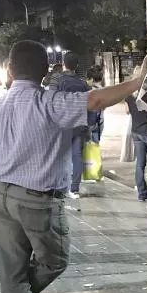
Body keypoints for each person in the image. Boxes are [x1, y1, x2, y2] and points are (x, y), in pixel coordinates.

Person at [0, 40, 147, 293]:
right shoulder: (50, 103)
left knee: (11, 267)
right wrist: (137, 82)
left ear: (10, 70)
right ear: (45, 72)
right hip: (36, 198)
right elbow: (95, 100)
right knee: (54, 261)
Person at [52, 52, 98, 199]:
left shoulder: (58, 80)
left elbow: (51, 101)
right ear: (77, 65)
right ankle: (75, 189)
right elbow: (91, 104)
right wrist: (90, 123)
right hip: (79, 124)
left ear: (63, 63)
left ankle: (60, 186)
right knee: (77, 155)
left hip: (62, 124)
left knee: (59, 156)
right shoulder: (83, 83)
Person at [125, 93, 147, 202]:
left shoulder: (129, 96)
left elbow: (127, 111)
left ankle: (142, 193)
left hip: (135, 131)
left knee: (140, 164)